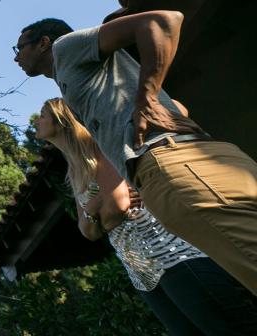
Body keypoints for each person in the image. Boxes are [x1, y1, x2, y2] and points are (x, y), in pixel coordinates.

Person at [13, 11, 257, 294]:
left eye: (19, 48)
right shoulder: (77, 75)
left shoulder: (65, 47)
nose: (16, 58)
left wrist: (148, 96)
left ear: (43, 43)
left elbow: (163, 21)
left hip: (169, 163)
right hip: (192, 159)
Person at [36, 98, 257, 335]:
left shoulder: (100, 148)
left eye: (42, 115)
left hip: (174, 256)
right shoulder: (75, 170)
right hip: (142, 274)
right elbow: (87, 231)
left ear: (62, 119)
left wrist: (97, 213)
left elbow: (118, 206)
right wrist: (95, 210)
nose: (37, 122)